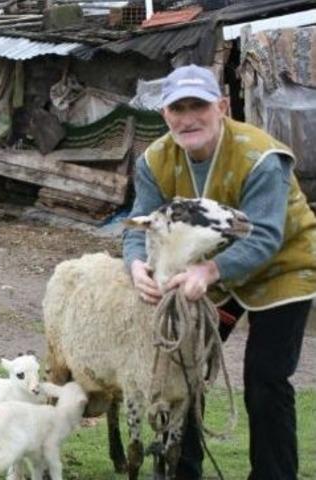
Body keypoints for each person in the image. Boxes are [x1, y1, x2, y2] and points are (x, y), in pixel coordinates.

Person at [123, 64, 316, 480]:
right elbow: (142, 224)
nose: (189, 117)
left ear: (223, 106)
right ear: (165, 114)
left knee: (265, 378)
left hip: (283, 266)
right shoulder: (154, 160)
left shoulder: (261, 156)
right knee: (181, 371)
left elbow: (265, 236)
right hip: (204, 272)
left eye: (199, 106)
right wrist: (136, 263)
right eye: (179, 108)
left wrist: (209, 272)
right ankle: (180, 470)